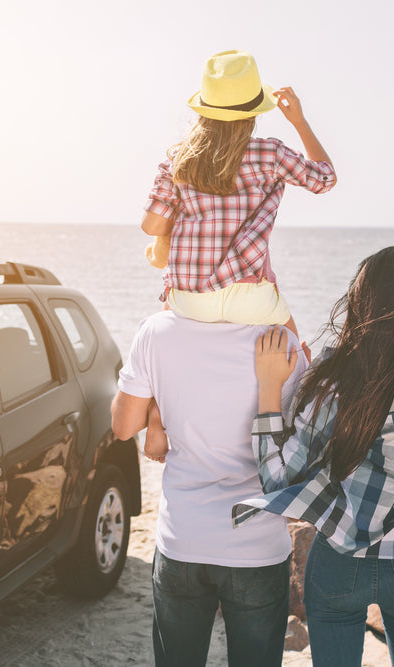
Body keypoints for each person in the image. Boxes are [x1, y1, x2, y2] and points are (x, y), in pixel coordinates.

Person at [234, 246, 394, 667]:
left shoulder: (332, 378)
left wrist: (270, 390)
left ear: (360, 299)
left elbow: (278, 481)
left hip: (339, 562)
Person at [140, 49, 336, 462]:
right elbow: (325, 179)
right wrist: (299, 121)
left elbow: (152, 226)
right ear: (252, 113)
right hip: (251, 297)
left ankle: (157, 418)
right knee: (296, 350)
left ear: (205, 109)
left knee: (170, 344)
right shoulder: (269, 153)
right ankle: (295, 428)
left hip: (189, 298)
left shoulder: (179, 159)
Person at [111, 312, 308, 667]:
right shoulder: (279, 340)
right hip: (257, 545)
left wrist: (155, 415)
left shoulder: (156, 331)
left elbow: (123, 427)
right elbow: (300, 446)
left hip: (183, 536)